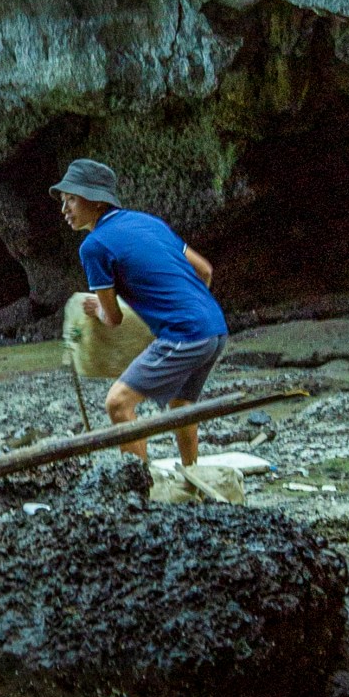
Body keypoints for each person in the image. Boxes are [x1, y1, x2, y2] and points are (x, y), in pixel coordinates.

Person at [51, 156, 225, 467]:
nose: (64, 210)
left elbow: (112, 318)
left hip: (185, 336)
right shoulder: (150, 223)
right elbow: (205, 271)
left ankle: (138, 492)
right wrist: (185, 309)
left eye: (71, 200)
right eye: (64, 202)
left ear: (95, 200)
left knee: (118, 404)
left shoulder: (94, 247)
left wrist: (96, 309)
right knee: (181, 406)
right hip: (215, 328)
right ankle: (192, 478)